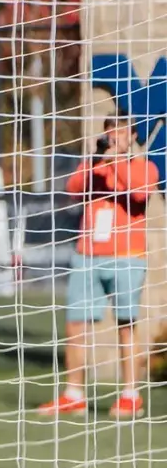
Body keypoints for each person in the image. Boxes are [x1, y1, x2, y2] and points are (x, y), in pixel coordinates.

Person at [39, 115, 157, 419]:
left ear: (132, 136)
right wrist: (95, 160)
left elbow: (138, 193)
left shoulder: (145, 166)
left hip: (127, 256)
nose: (113, 136)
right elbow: (73, 188)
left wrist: (115, 160)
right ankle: (73, 393)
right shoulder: (95, 165)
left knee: (126, 324)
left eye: (119, 131)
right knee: (76, 324)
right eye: (109, 131)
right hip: (87, 254)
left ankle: (131, 394)